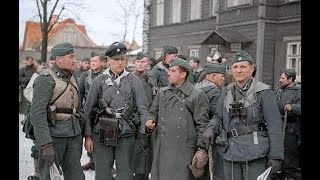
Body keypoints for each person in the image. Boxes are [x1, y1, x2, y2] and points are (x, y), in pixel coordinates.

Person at [201, 50, 284, 180]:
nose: (238, 71)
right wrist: (211, 128)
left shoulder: (263, 92)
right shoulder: (226, 91)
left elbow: (275, 126)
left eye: (243, 67)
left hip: (255, 153)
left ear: (251, 69)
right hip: (230, 151)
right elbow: (218, 116)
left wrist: (276, 156)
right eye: (235, 67)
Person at [83, 41, 150, 180]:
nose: (120, 63)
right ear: (108, 61)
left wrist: (143, 134)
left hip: (126, 132)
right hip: (102, 131)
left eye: (123, 59)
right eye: (116, 60)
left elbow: (143, 108)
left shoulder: (134, 80)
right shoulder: (99, 80)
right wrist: (88, 136)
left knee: (125, 174)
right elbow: (88, 110)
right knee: (102, 174)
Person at [146, 58, 210, 180]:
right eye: (169, 70)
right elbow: (153, 112)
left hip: (184, 150)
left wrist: (201, 149)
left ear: (183, 74)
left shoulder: (197, 95)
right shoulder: (162, 92)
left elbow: (202, 125)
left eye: (173, 71)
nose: (168, 73)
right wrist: (150, 121)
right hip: (162, 147)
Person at [29, 42, 85, 180]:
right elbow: (37, 114)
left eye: (75, 57)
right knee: (48, 176)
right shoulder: (46, 79)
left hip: (73, 135)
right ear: (59, 59)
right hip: (53, 136)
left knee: (76, 176)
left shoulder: (72, 77)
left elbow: (78, 108)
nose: (75, 60)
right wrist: (45, 143)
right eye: (71, 57)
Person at [195, 63, 226, 180]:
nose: (224, 79)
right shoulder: (215, 93)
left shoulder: (195, 88)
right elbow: (218, 115)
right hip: (208, 136)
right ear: (213, 77)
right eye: (222, 76)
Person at [78, 52, 107, 171]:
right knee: (88, 135)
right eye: (91, 61)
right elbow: (80, 92)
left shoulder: (107, 75)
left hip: (103, 110)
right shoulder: (85, 75)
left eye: (95, 61)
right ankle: (92, 161)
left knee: (104, 136)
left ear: (102, 62)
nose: (93, 63)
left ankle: (105, 164)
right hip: (88, 109)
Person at [274, 68, 301, 180]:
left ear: (290, 79)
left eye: (283, 78)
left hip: (291, 129)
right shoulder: (279, 91)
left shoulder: (298, 91)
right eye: (280, 77)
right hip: (278, 127)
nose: (280, 80)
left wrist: (292, 107)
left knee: (290, 158)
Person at [132, 52, 154, 180]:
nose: (140, 64)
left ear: (148, 64)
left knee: (148, 156)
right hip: (134, 122)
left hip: (149, 121)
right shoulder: (129, 78)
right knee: (137, 157)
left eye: (143, 62)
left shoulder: (151, 80)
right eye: (138, 62)